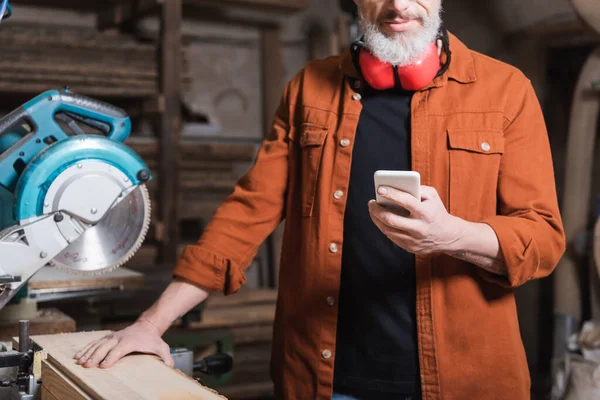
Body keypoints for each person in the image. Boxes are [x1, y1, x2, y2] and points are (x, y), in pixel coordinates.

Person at [74, 0, 566, 399]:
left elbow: (543, 238)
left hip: (467, 382)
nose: (397, 6)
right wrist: (150, 324)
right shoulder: (309, 88)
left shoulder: (506, 91)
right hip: (325, 378)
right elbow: (246, 214)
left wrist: (452, 235)